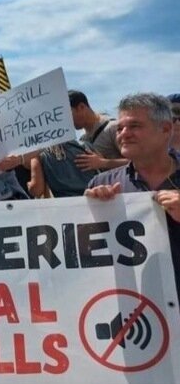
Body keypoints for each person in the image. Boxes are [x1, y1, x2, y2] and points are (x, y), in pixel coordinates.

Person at [84, 93, 180, 303]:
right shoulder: (101, 183)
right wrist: (86, 214)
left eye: (134, 126)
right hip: (134, 307)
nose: (124, 134)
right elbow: (84, 254)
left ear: (165, 129)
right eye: (120, 128)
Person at [69, 90, 127, 171]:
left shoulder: (112, 128)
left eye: (69, 115)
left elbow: (137, 162)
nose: (68, 121)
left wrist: (103, 163)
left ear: (81, 107)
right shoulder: (83, 139)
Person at [27, 140, 99, 198]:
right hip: (95, 198)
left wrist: (29, 185)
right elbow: (104, 169)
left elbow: (37, 190)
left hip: (67, 205)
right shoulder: (85, 145)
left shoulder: (38, 154)